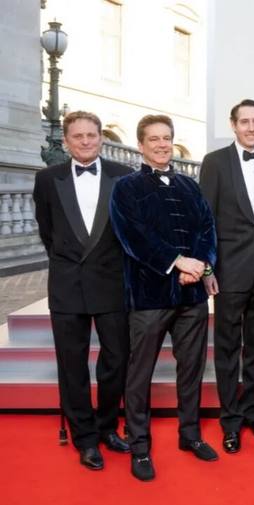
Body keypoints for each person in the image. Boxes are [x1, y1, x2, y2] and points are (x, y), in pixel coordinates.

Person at [110, 115, 218, 481]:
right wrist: (178, 262)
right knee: (139, 373)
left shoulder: (190, 185)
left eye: (166, 138)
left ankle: (190, 435)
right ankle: (139, 446)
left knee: (191, 369)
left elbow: (207, 228)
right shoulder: (126, 188)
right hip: (149, 296)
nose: (161, 144)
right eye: (154, 139)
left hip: (192, 295)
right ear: (140, 145)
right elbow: (134, 237)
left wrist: (201, 266)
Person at [33, 110, 131, 470]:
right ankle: (85, 438)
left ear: (101, 137)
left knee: (116, 360)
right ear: (66, 140)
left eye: (91, 135)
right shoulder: (47, 179)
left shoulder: (124, 175)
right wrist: (68, 262)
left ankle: (107, 427)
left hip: (112, 282)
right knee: (72, 365)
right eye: (78, 136)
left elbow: (130, 230)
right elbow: (47, 230)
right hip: (67, 284)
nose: (86, 141)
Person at [199, 99, 254, 453]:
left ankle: (252, 414)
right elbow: (205, 220)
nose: (251, 127)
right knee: (228, 349)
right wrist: (208, 268)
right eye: (244, 121)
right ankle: (230, 421)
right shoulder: (215, 162)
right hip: (229, 271)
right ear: (233, 125)